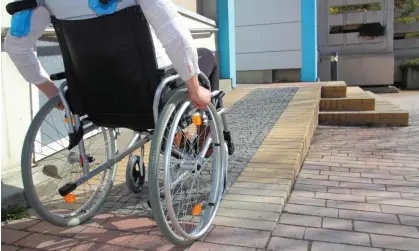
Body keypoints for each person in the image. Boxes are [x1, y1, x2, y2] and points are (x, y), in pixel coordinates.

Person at [4, 0, 219, 154]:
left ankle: (178, 139)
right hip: (149, 96)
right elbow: (174, 34)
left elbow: (16, 47)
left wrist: (53, 94)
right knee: (207, 58)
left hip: (93, 102)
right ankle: (205, 135)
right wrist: (194, 86)